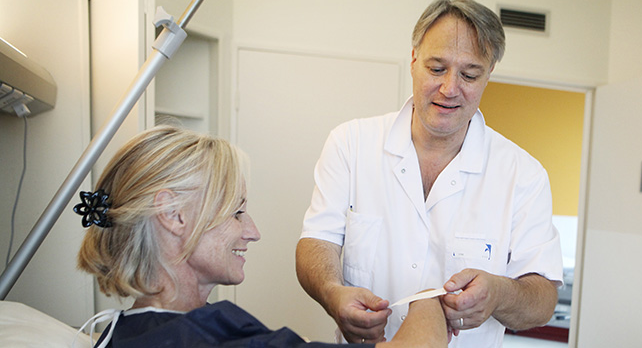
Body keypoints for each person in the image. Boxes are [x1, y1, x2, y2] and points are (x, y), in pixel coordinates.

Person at [295, 0, 563, 347]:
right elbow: (317, 240)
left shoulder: (523, 175)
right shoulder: (351, 143)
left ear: (489, 74)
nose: (450, 89)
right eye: (437, 68)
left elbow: (541, 300)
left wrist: (499, 293)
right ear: (413, 60)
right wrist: (331, 293)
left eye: (469, 74)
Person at [74, 125, 447, 348]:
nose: (252, 232)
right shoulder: (207, 336)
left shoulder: (124, 330)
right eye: (235, 212)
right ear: (174, 215)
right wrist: (431, 299)